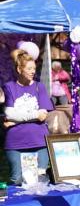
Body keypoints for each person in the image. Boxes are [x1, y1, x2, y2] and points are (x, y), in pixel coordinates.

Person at [3, 48, 53, 185]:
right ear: (19, 69)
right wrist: (34, 115)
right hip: (15, 143)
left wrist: (16, 121)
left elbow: (42, 115)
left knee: (40, 180)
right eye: (29, 68)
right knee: (17, 180)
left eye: (34, 68)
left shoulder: (39, 87)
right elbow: (9, 113)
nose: (33, 71)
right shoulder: (9, 87)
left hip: (39, 142)